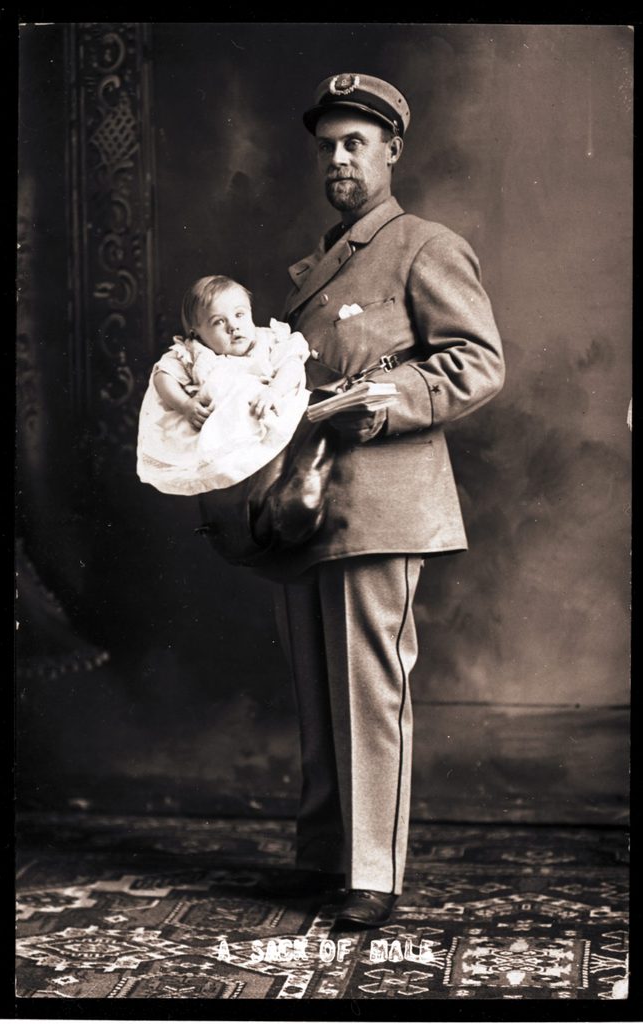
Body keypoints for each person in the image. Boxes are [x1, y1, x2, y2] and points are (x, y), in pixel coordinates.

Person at [264, 73, 505, 929]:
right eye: (328, 144)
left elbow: (477, 362)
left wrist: (385, 401)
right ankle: (324, 856)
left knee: (370, 692)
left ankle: (374, 872)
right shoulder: (322, 261)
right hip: (310, 504)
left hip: (386, 502)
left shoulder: (425, 245)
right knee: (318, 693)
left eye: (355, 142)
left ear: (391, 151)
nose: (338, 157)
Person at [136, 275, 310, 495]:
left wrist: (274, 391)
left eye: (239, 315)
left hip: (262, 423)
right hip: (214, 439)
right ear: (195, 332)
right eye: (218, 321)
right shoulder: (194, 352)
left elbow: (292, 364)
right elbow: (163, 376)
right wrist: (185, 405)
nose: (233, 326)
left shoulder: (268, 341)